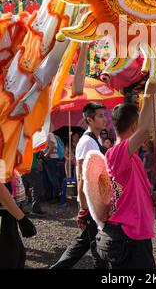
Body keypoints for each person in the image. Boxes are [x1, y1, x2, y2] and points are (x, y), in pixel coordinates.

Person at [96, 79, 156, 269]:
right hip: (128, 235)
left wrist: (152, 199)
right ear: (134, 126)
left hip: (138, 234)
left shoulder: (133, 158)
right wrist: (149, 91)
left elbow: (129, 193)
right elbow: (145, 131)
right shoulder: (116, 153)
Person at [50, 102, 107, 269]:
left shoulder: (95, 139)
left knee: (84, 242)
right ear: (89, 119)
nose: (104, 119)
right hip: (91, 202)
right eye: (100, 116)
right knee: (98, 249)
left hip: (95, 200)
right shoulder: (87, 142)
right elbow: (81, 175)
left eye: (104, 115)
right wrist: (83, 208)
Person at [0, 180, 36, 269]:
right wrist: (22, 219)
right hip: (4, 214)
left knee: (17, 255)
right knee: (10, 259)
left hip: (8, 212)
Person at [22, 152, 46, 216]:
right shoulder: (28, 142)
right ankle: (35, 209)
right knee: (37, 186)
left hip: (29, 166)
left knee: (23, 187)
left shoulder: (33, 142)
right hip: (28, 166)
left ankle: (20, 208)